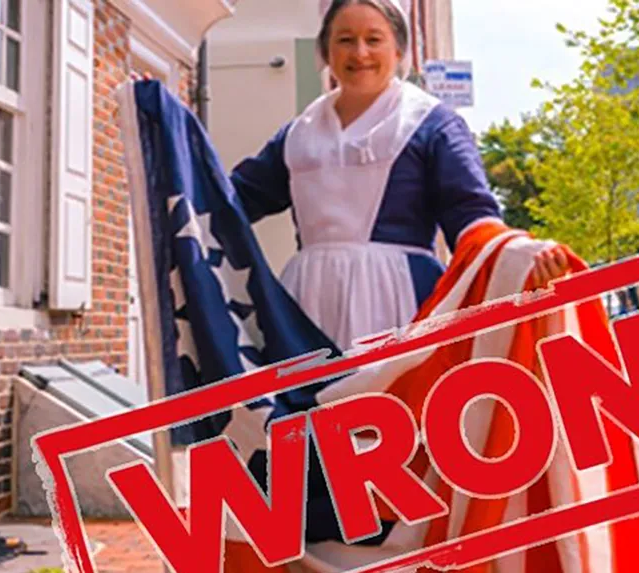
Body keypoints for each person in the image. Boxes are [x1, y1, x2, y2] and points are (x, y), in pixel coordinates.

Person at [222, 0, 573, 569]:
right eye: (344, 40)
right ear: (325, 53)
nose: (359, 53)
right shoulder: (299, 133)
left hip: (399, 300)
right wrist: (166, 151)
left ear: (400, 52)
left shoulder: (431, 122)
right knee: (306, 437)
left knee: (387, 436)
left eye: (373, 39)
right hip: (305, 304)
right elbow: (229, 201)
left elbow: (473, 216)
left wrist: (523, 254)